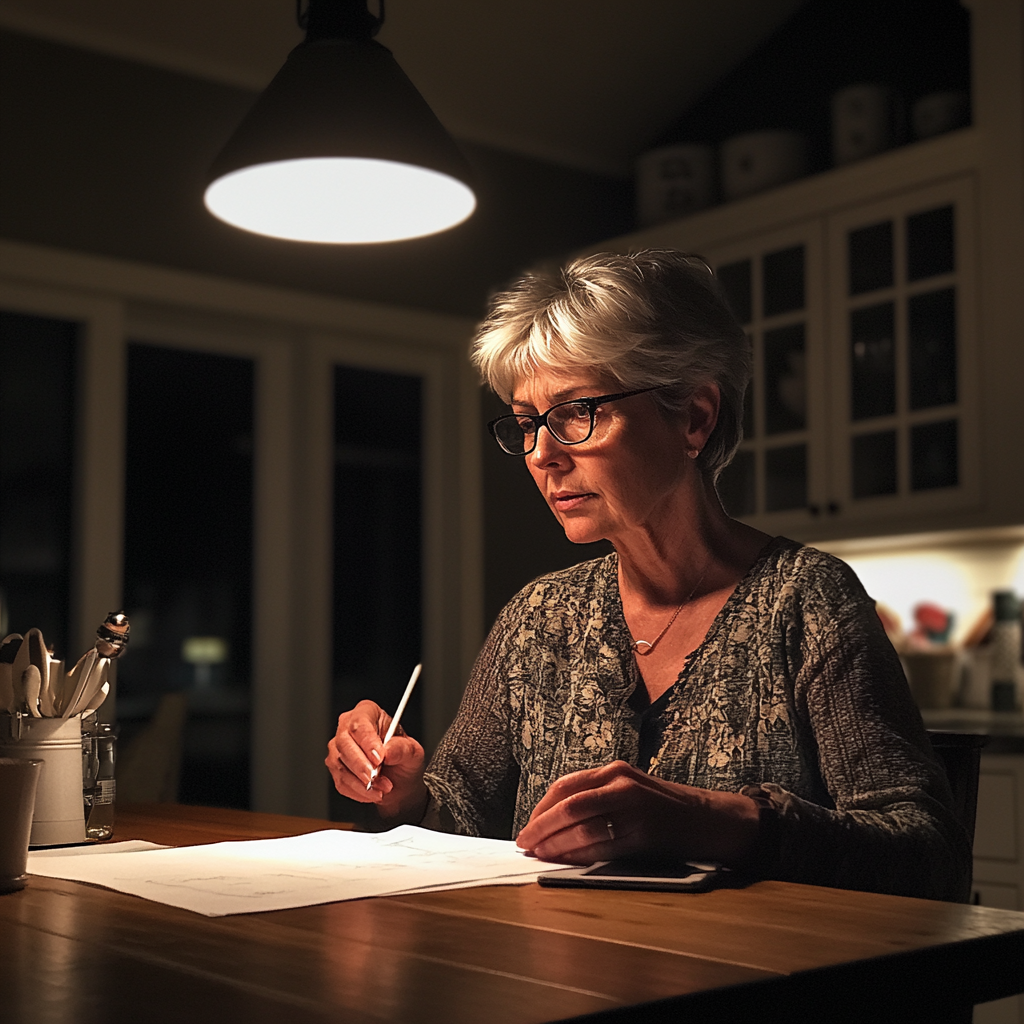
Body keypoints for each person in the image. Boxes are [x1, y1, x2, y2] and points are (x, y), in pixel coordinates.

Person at [326, 249, 971, 901]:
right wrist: (402, 792)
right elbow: (456, 822)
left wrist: (717, 821)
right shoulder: (538, 618)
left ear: (694, 417)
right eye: (526, 424)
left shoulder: (805, 603)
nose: (543, 454)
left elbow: (928, 854)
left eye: (578, 412)